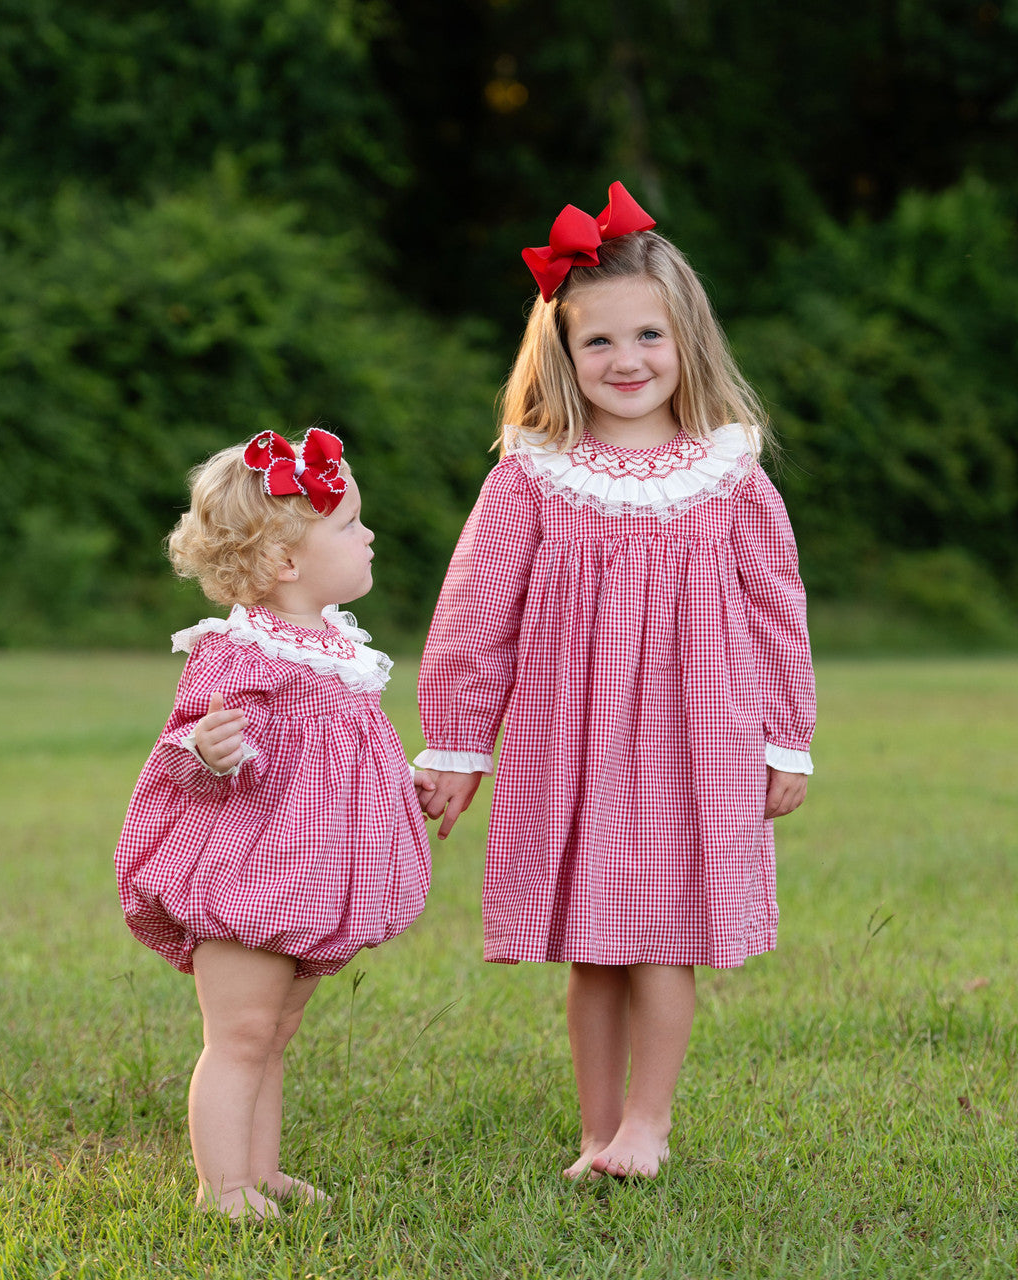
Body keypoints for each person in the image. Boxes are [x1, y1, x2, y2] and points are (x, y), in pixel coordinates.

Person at [413, 183, 815, 1180]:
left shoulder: (727, 472)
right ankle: (599, 1134)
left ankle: (650, 1120)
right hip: (571, 731)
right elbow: (474, 613)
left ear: (687, 343)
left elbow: (775, 609)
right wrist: (460, 744)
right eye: (599, 343)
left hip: (699, 729)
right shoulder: (533, 474)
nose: (626, 360)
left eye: (648, 336)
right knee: (592, 942)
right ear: (560, 353)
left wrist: (785, 736)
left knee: (663, 930)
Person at [115, 428, 430, 1219]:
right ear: (287, 562)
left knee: (274, 1036)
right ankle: (221, 1188)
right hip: (249, 878)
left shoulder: (336, 646)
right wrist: (207, 748)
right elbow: (187, 746)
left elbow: (347, 756)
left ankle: (260, 1169)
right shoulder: (242, 650)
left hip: (306, 881)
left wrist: (403, 782)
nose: (368, 536)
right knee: (241, 1036)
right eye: (350, 525)